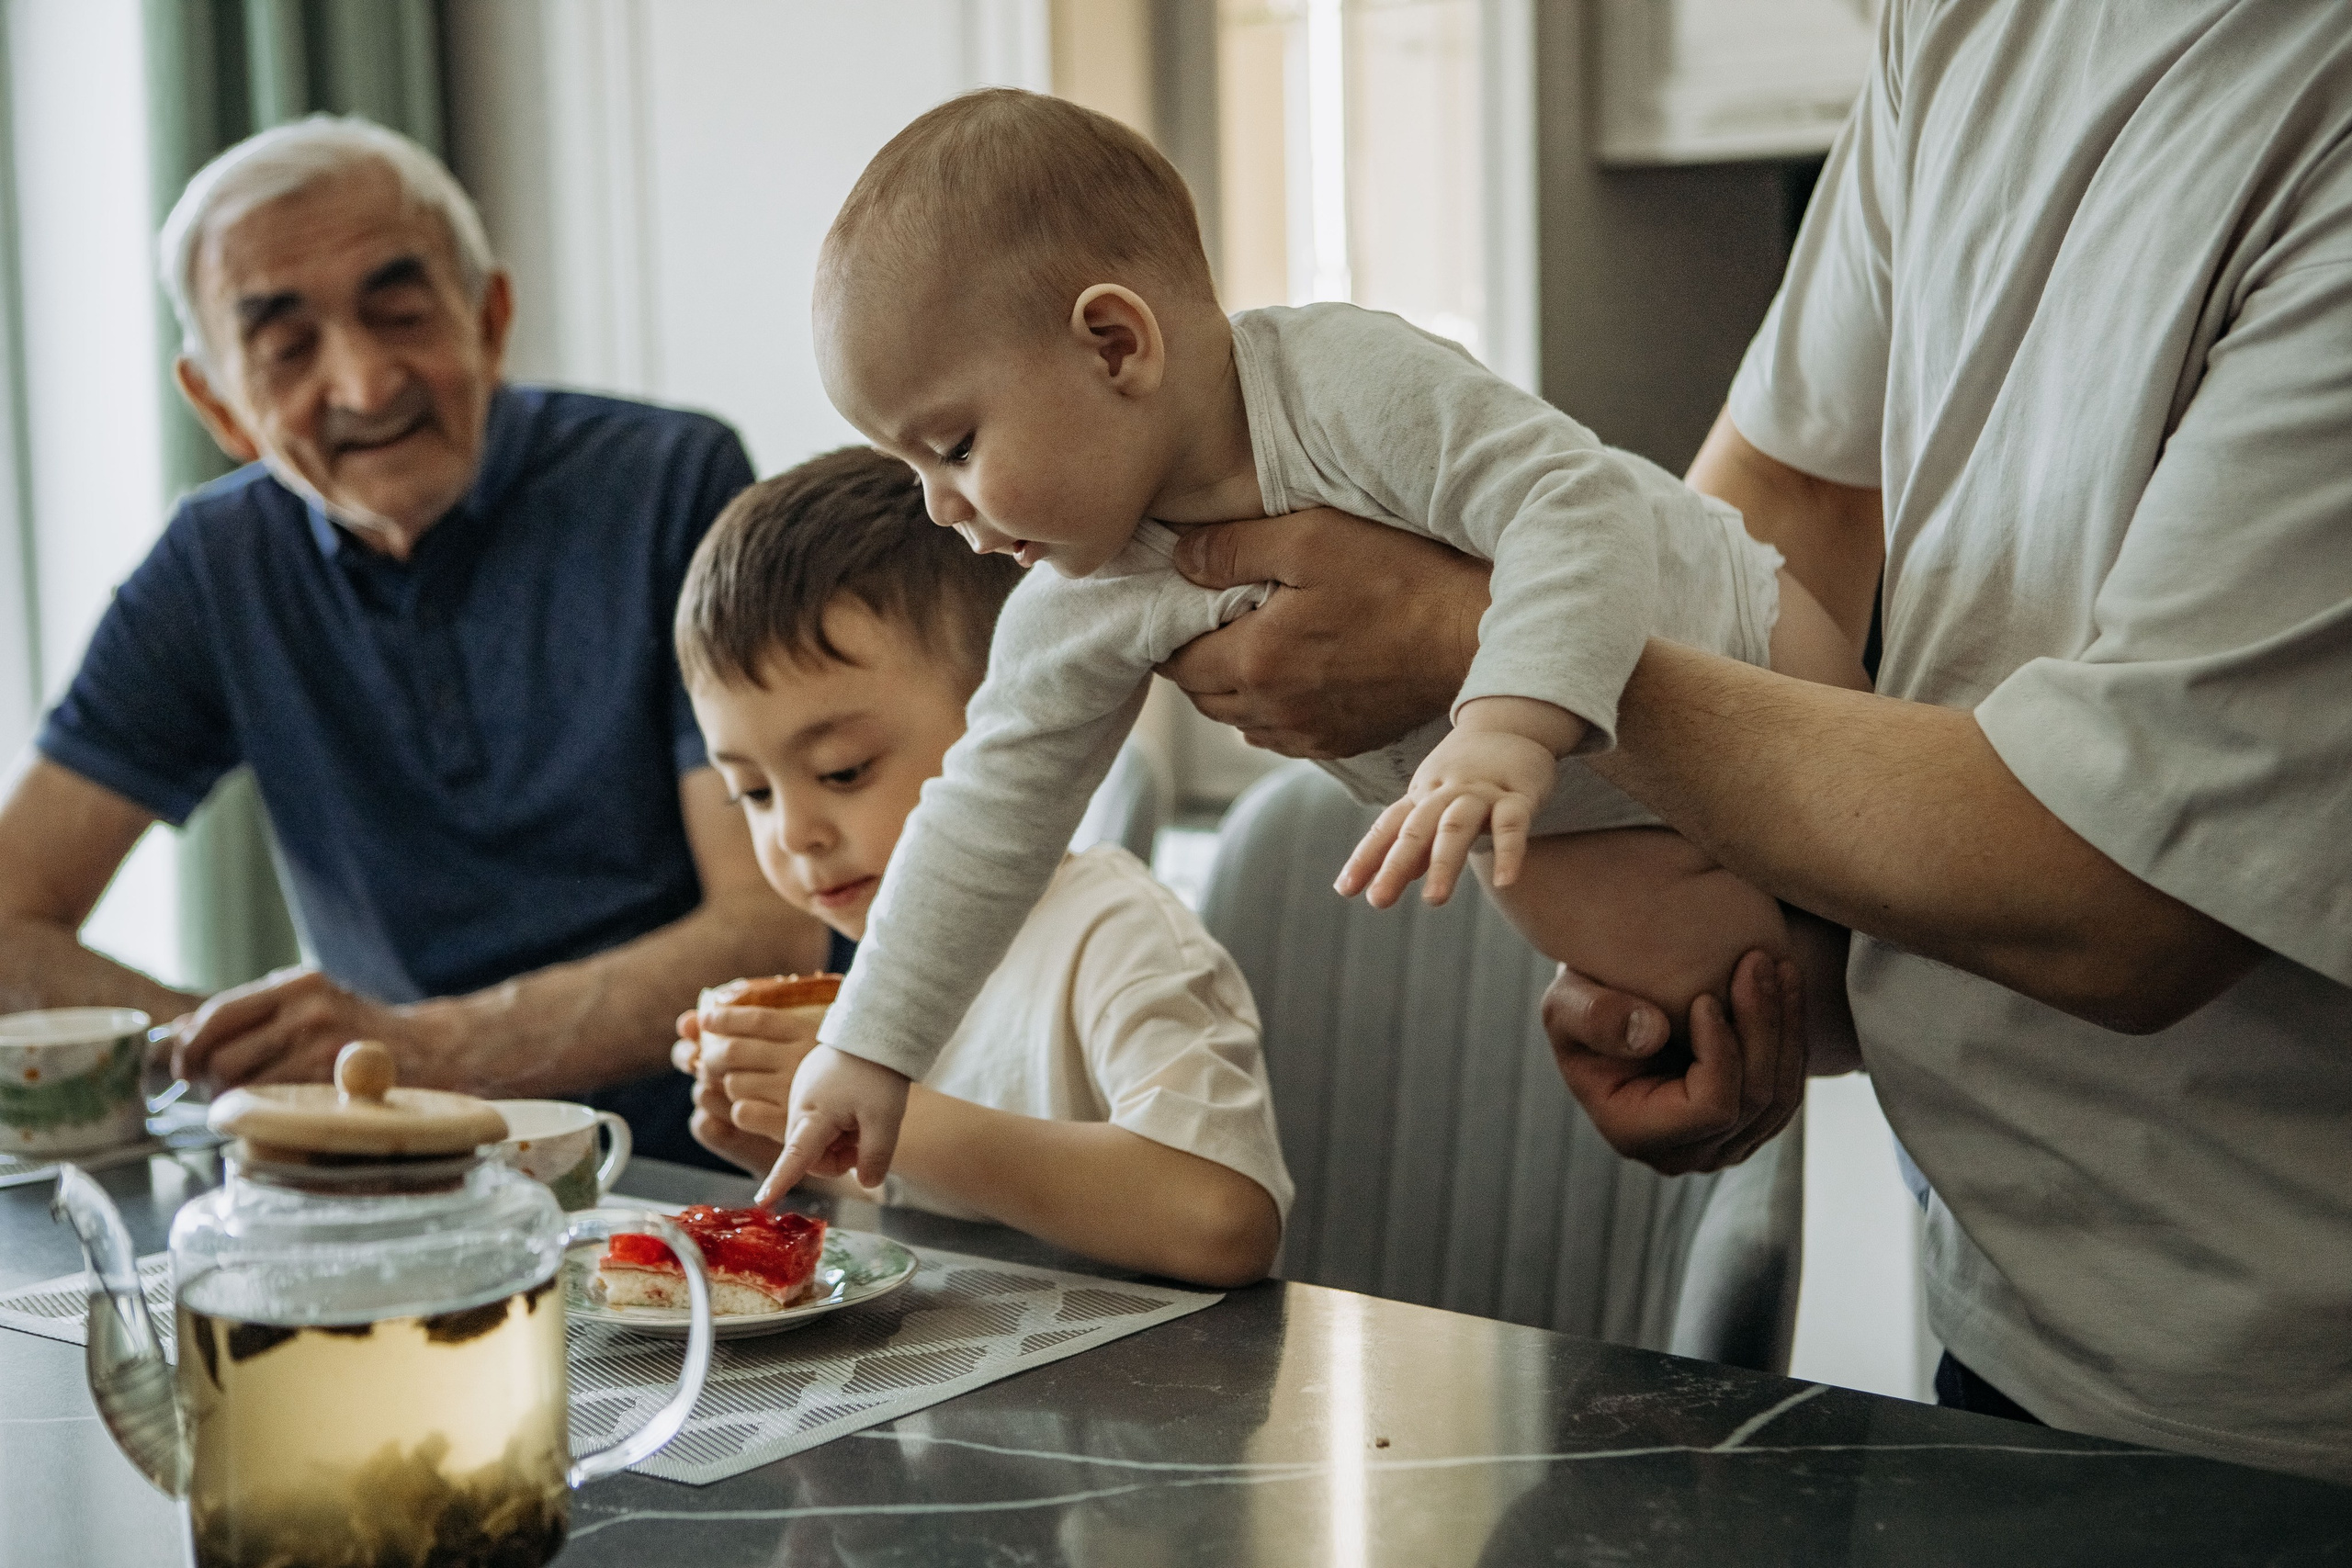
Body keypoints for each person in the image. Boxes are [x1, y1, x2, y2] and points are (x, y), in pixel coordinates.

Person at [1160, 2, 2352, 1483]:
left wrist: (1485, 645)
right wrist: (1687, 930)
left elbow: (2122, 899)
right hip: (2003, 1299)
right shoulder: (1958, 25)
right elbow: (1779, 505)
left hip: (2279, 1401)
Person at [763, 88, 1860, 1198]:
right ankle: (1884, 1027)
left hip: (1740, 640)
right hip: (1587, 827)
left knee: (1889, 887)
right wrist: (868, 1047)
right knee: (1763, 1010)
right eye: (911, 466)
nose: (938, 505)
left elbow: (1575, 506)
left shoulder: (1338, 385)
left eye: (953, 446)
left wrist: (1504, 727)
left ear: (1113, 344)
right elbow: (981, 811)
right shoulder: (1076, 598)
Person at [0, 116, 828, 1160]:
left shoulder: (673, 482)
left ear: (490, 318)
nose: (364, 384)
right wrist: (238, 1049)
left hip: (702, 1164)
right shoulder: (213, 565)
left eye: (399, 313)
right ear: (220, 404)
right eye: (287, 348)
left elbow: (769, 928)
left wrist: (407, 1049)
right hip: (400, 1178)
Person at [667, 447, 1289, 1288]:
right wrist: (800, 1150)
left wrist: (891, 1109)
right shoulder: (866, 971)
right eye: (752, 791)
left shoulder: (1112, 930)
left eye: (843, 770)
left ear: (1008, 731)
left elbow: (1223, 1221)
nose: (795, 833)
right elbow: (965, 1233)